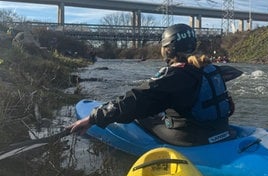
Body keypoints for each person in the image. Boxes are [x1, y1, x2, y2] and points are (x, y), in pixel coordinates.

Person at [68, 23, 235, 146]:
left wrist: (94, 118)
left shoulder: (175, 75)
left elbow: (135, 100)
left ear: (169, 49)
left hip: (191, 138)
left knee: (141, 114)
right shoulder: (211, 69)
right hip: (220, 129)